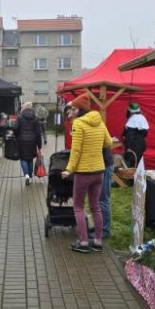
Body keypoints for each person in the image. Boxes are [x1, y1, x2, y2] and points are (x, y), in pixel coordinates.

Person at [62, 95, 112, 252]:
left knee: (78, 207)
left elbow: (76, 150)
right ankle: (98, 241)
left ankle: (83, 242)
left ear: (79, 109)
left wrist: (69, 169)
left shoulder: (78, 123)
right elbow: (109, 142)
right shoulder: (99, 121)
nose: (71, 111)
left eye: (74, 108)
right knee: (95, 207)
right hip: (99, 170)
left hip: (83, 172)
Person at [14, 102, 43, 185]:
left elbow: (15, 128)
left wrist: (17, 136)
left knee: (23, 158)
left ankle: (26, 175)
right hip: (33, 142)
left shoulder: (20, 117)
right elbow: (38, 133)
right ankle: (30, 177)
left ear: (24, 108)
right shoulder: (35, 118)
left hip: (22, 141)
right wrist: (39, 146)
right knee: (30, 159)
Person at [122, 102, 150, 168]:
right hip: (141, 144)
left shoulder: (132, 120)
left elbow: (129, 136)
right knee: (138, 163)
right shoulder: (142, 118)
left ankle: (132, 174)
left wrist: (128, 147)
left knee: (132, 164)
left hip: (133, 146)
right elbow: (145, 134)